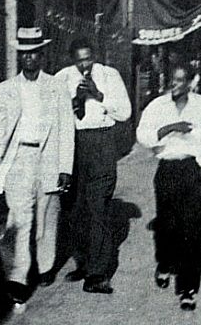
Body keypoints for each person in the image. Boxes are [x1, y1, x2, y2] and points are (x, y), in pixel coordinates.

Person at [0, 27, 74, 306]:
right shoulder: (3, 91)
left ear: (42, 54)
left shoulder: (56, 87)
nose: (30, 58)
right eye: (25, 53)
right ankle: (18, 277)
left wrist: (65, 167)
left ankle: (45, 266)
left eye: (35, 53)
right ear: (19, 55)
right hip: (18, 159)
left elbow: (67, 129)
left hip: (47, 156)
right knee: (19, 219)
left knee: (47, 215)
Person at [136, 61, 201, 311]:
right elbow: (143, 136)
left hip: (192, 169)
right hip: (167, 170)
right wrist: (171, 127)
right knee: (168, 227)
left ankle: (188, 289)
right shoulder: (158, 105)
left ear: (191, 82)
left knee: (192, 231)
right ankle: (165, 263)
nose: (175, 84)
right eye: (173, 79)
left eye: (181, 80)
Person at [55, 38, 131, 294]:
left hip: (101, 141)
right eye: (79, 60)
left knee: (98, 207)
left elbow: (125, 113)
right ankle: (84, 263)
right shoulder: (62, 78)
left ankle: (98, 274)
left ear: (94, 55)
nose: (84, 64)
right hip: (73, 143)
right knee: (75, 209)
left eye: (88, 58)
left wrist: (99, 95)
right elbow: (56, 115)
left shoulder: (110, 75)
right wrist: (74, 100)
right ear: (72, 59)